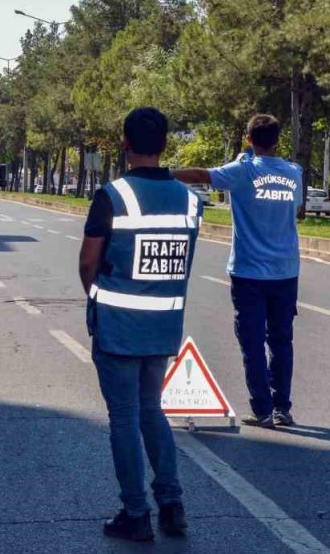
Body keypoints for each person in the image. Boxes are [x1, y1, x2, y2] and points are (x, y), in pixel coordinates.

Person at [79, 107, 202, 542]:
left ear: (125, 144)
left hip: (118, 326)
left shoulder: (112, 195)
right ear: (165, 144)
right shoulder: (191, 200)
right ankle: (172, 503)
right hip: (163, 325)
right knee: (153, 411)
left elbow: (89, 261)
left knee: (125, 418)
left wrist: (96, 297)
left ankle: (136, 513)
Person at [173, 114, 304, 429]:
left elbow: (200, 174)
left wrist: (163, 173)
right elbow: (295, 207)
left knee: (252, 340)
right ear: (277, 139)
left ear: (248, 139)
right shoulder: (294, 174)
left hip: (248, 272)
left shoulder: (242, 171)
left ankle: (262, 409)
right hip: (286, 271)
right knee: (282, 340)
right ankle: (281, 408)